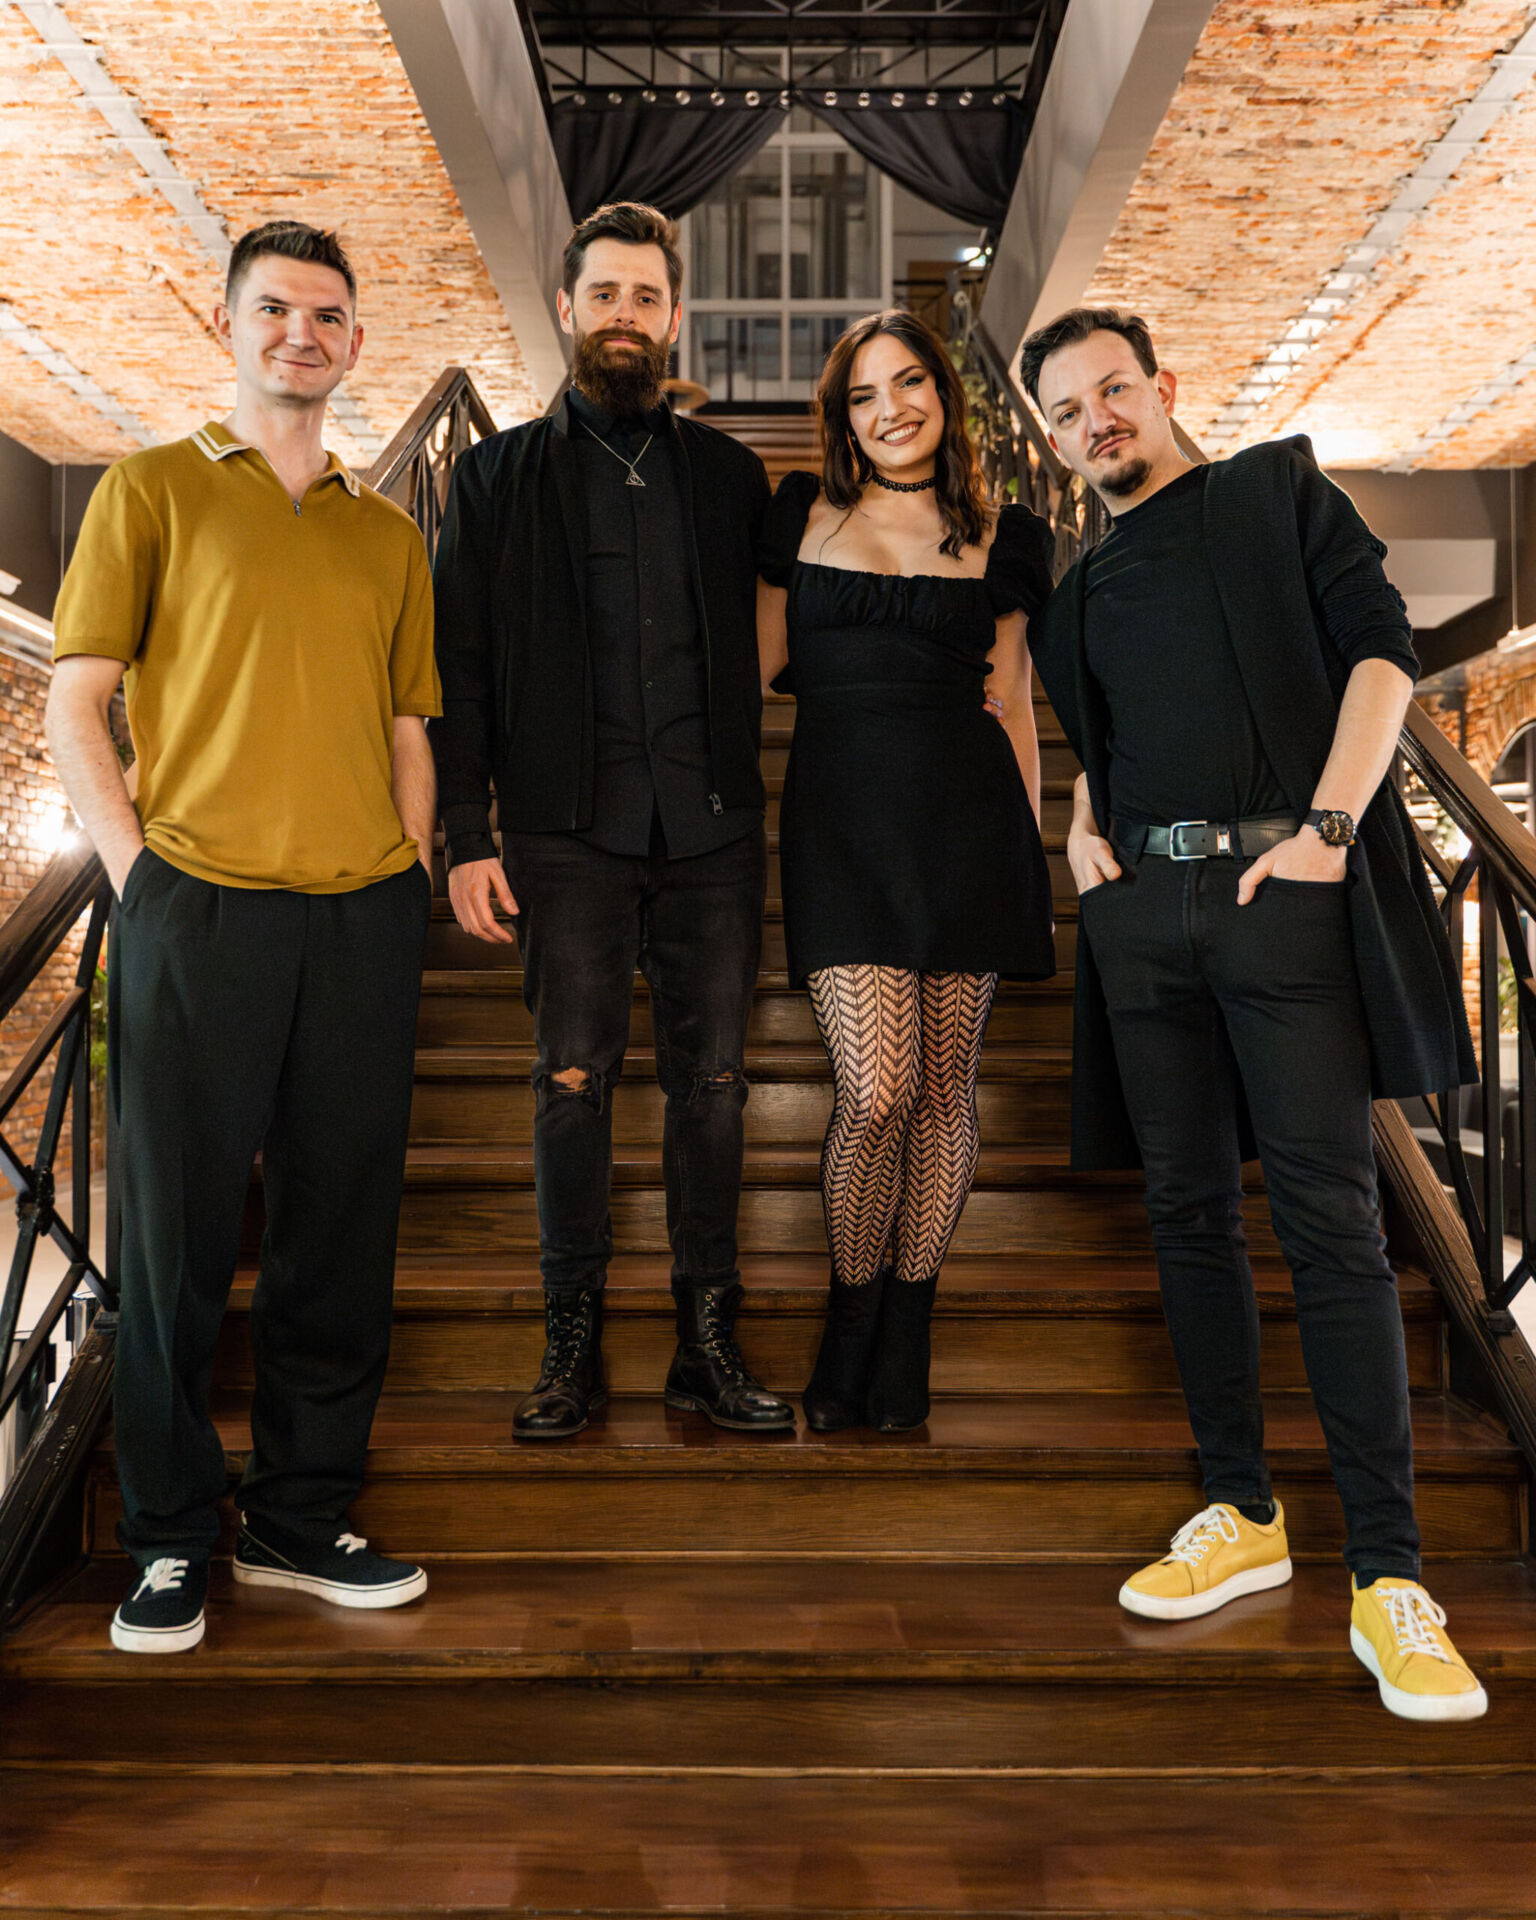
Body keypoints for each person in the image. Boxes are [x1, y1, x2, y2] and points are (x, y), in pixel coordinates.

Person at [1021, 305, 1486, 1722]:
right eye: (1065, 412)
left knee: (1330, 1221)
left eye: (1113, 390)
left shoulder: (1275, 491)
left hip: (1283, 889)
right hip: (1143, 920)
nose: (1095, 422)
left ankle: (1389, 1576)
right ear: (1050, 438)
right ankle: (1244, 1510)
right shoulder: (1078, 590)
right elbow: (1112, 739)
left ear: (1162, 386)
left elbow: (1383, 653)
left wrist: (1331, 829)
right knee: (1187, 1215)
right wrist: (1085, 828)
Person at [46, 221, 438, 1655]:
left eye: (327, 315)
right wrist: (138, 876)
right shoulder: (150, 489)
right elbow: (76, 699)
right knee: (175, 1240)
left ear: (354, 342)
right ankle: (166, 1536)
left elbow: (407, 723)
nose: (301, 334)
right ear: (228, 324)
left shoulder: (387, 530)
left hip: (361, 915)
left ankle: (299, 1515)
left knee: (340, 1232)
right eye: (274, 309)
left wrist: (408, 865)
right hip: (197, 906)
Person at [430, 201, 792, 1439]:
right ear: (567, 309)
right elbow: (457, 666)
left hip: (711, 831)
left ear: (674, 317)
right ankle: (569, 1345)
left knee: (718, 1086)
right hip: (561, 832)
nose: (624, 317)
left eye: (645, 297)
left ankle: (706, 1341)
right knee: (572, 1082)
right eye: (604, 296)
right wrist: (465, 835)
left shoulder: (732, 478)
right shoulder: (492, 479)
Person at [756, 309, 1056, 1434]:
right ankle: (851, 1312)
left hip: (968, 824)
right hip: (842, 826)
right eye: (864, 394)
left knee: (943, 1090)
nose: (891, 409)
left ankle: (908, 1324)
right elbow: (752, 668)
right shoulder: (801, 515)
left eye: (911, 382)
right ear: (841, 417)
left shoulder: (1006, 534)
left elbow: (1012, 702)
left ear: (944, 394)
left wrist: (1030, 851)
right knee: (877, 1089)